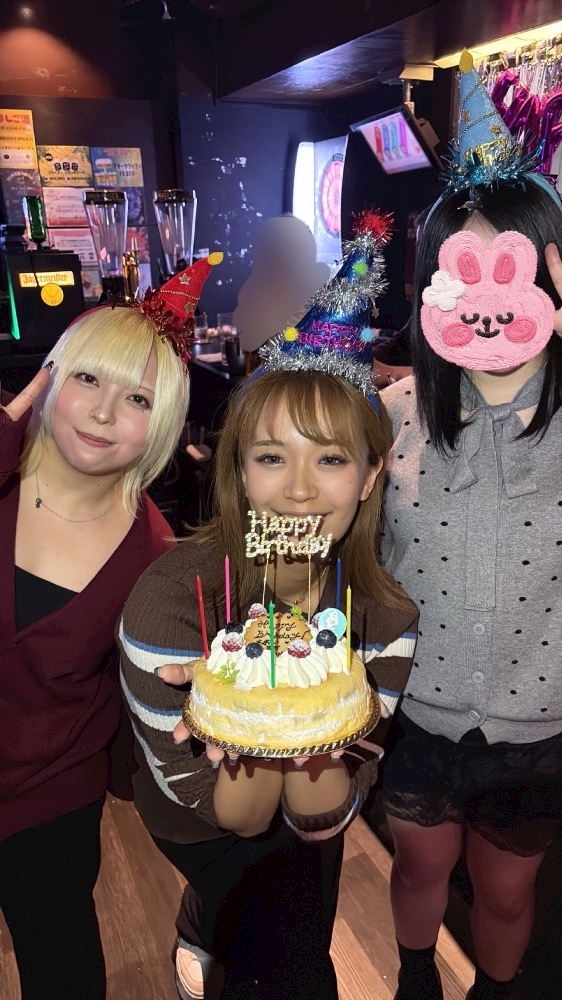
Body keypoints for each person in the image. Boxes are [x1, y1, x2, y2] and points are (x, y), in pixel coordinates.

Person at [118, 213, 419, 1000]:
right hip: (200, 821)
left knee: (300, 906)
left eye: (332, 458)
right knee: (275, 943)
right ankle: (206, 917)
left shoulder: (385, 620)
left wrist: (312, 711)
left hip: (312, 814)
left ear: (371, 474)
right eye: (272, 457)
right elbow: (236, 815)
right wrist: (241, 709)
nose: (299, 490)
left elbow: (326, 812)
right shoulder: (169, 607)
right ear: (240, 471)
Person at [379, 50, 562, 1000]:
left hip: (543, 726)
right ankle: (414, 978)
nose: (488, 300)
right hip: (421, 712)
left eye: (513, 266)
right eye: (464, 272)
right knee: (418, 870)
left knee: (506, 891)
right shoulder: (393, 416)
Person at [0, 252, 220, 1000]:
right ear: (51, 376)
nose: (102, 413)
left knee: (60, 964)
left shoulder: (153, 557)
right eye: (89, 378)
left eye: (137, 398)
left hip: (48, 798)